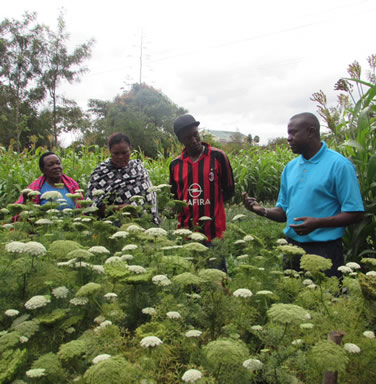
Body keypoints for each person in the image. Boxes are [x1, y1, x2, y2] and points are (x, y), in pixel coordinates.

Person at [242, 112, 364, 277]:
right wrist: (261, 210)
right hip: (292, 249)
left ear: (311, 132)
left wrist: (318, 223)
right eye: (288, 133)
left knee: (324, 300)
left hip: (324, 250)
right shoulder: (290, 168)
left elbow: (355, 213)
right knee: (291, 298)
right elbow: (283, 212)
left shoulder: (339, 165)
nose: (289, 138)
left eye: (293, 132)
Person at [169, 114, 235, 244]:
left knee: (216, 264)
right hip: (186, 235)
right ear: (180, 140)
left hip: (215, 234)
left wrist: (210, 204)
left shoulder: (218, 157)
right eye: (188, 138)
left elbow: (229, 191)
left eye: (195, 134)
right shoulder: (175, 165)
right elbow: (176, 198)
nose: (194, 140)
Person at [86, 133, 160, 225]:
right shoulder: (101, 173)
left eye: (124, 152)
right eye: (116, 153)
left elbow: (150, 197)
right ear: (110, 152)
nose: (120, 157)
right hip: (111, 226)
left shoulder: (138, 168)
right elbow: (92, 207)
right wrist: (120, 208)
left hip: (142, 222)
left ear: (130, 149)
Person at [15, 152, 82, 209]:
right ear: (42, 170)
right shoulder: (34, 189)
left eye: (58, 163)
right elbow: (21, 210)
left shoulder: (72, 185)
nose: (56, 167)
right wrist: (26, 200)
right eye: (50, 165)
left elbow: (81, 208)